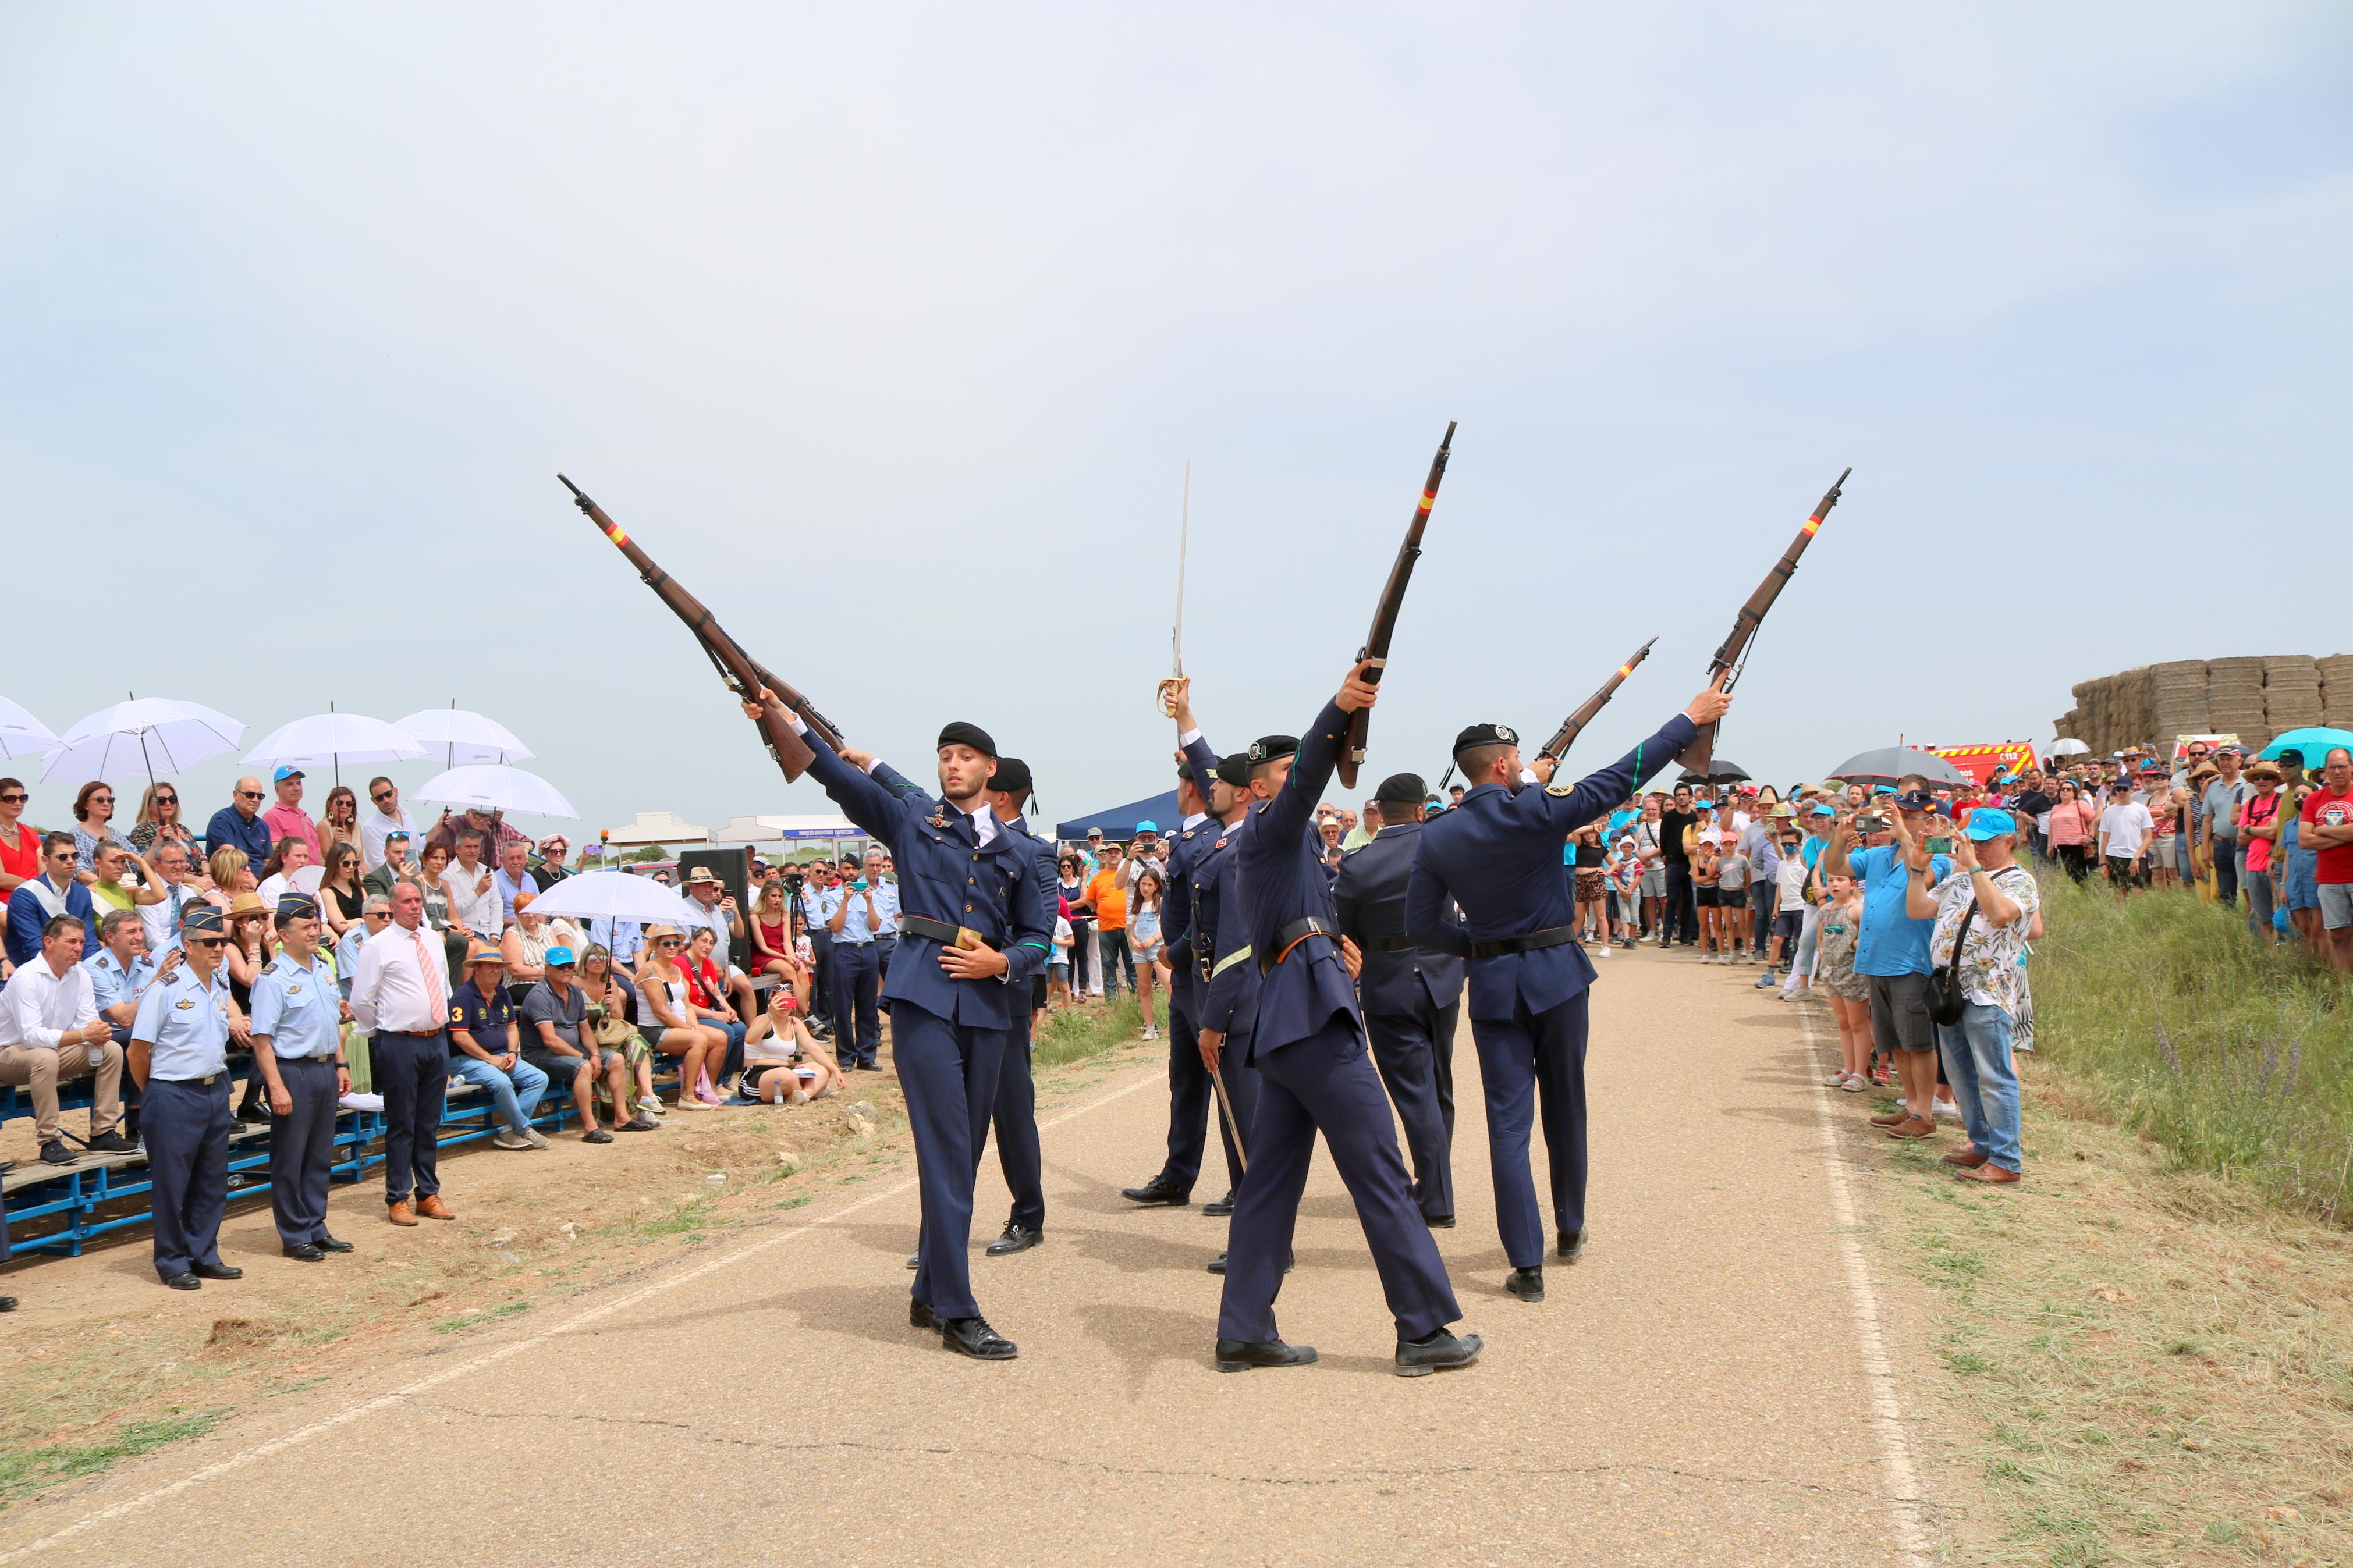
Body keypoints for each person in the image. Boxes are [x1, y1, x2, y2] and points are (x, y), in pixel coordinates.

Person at [748, 692, 1052, 1362]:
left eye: (965, 756)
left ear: (989, 769)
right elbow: (837, 775)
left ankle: (925, 1288)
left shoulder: (1021, 853)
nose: (952, 764)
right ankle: (957, 1309)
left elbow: (1040, 936)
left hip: (988, 1006)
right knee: (946, 1148)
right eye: (944, 755)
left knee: (964, 1151)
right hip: (921, 995)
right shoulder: (914, 818)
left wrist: (1003, 960)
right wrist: (781, 721)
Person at [1411, 679, 1732, 1304]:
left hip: (1494, 986)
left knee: (1507, 1126)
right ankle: (1569, 1227)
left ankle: (1524, 1264)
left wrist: (1477, 948)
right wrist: (1687, 718)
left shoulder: (1439, 833)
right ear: (1503, 764)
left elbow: (1421, 924)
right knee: (1565, 1108)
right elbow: (1622, 775)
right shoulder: (1535, 809)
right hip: (1557, 976)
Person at [1208, 661, 1473, 1375]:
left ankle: (1243, 1328)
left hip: (1294, 1015)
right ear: (1258, 788)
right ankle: (1421, 1330)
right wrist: (1336, 709)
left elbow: (1304, 921)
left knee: (1268, 1183)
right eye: (1287, 773)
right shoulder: (1268, 826)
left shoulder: (1284, 847)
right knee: (1382, 1172)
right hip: (1313, 1021)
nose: (1305, 783)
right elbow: (1302, 784)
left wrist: (1333, 950)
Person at [1334, 770, 1465, 1229]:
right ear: (1417, 810)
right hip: (1442, 976)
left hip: (1387, 982)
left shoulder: (1358, 862)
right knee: (1438, 1083)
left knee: (1415, 1093)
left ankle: (1436, 1197)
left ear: (1378, 813)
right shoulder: (1442, 845)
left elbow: (1342, 930)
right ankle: (1436, 1181)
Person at [1155, 747, 1262, 1246]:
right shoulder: (1222, 843)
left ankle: (1263, 1240)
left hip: (1234, 999)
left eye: (1216, 782)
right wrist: (1173, 956)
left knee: (1248, 1123)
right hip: (1204, 986)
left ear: (1240, 791)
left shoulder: (1241, 848)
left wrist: (1214, 1019)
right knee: (1232, 1111)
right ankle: (1255, 1234)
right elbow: (1202, 926)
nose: (1205, 786)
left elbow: (1235, 944)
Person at [1907, 809, 2040, 1185]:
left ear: (2008, 842)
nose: (1976, 848)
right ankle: (1982, 1144)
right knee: (1962, 1075)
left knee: (1994, 1077)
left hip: (1987, 993)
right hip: (1950, 990)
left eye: (1984, 842)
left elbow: (2000, 914)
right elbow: (1917, 909)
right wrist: (1918, 870)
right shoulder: (1961, 878)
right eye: (1972, 840)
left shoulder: (2020, 882)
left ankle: (2007, 1161)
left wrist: (1974, 869)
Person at [1823, 791, 1954, 1141]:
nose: (1899, 820)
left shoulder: (1938, 855)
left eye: (1909, 816)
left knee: (1918, 1043)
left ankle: (1924, 1114)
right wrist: (1839, 838)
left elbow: (1923, 877)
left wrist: (1906, 836)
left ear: (1927, 822)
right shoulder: (1879, 854)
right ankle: (1912, 1107)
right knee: (1894, 1043)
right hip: (1876, 961)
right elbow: (1835, 867)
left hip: (1910, 962)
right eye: (1897, 814)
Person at [127, 902, 242, 1289]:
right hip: (173, 1093)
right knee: (173, 1184)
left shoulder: (218, 986)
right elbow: (137, 1051)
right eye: (209, 941)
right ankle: (173, 1260)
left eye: (222, 941)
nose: (218, 947)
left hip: (214, 1090)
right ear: (187, 944)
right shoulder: (166, 989)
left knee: (211, 1181)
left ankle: (203, 1254)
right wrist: (158, 1092)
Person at [971, 756, 1059, 1257]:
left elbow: (1040, 929)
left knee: (1010, 1109)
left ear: (999, 795)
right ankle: (942, 1225)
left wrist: (997, 960)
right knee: (956, 1115)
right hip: (955, 992)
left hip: (1002, 994)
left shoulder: (1033, 852)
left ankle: (1027, 1215)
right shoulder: (964, 843)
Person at [246, 894, 355, 1258]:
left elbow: (332, 1023)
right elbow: (261, 1039)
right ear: (282, 935)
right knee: (291, 1157)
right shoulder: (273, 979)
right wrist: (275, 1086)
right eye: (305, 927)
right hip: (292, 1072)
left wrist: (341, 1064)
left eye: (315, 925)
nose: (314, 932)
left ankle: (316, 1225)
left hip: (324, 1068)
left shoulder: (322, 967)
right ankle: (295, 1235)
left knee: (319, 1155)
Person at [349, 877, 461, 1225]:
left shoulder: (432, 938)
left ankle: (427, 1193)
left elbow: (442, 984)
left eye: (418, 900)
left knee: (429, 1122)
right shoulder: (379, 946)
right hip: (398, 1042)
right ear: (393, 908)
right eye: (407, 901)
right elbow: (361, 999)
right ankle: (397, 1197)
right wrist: (376, 1032)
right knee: (402, 1123)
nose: (414, 906)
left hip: (435, 1039)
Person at [0, 912, 134, 1164]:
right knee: (45, 1057)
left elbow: (87, 1021)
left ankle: (103, 1132)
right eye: (71, 942)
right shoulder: (25, 978)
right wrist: (84, 1035)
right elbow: (31, 1036)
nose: (79, 948)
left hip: (51, 1050)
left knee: (112, 1049)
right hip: (8, 1053)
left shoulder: (80, 974)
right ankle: (49, 1141)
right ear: (49, 943)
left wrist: (96, 1034)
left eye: (82, 942)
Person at [520, 944, 640, 1142]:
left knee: (616, 1060)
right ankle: (590, 1127)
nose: (566, 970)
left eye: (569, 966)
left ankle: (622, 1118)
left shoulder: (574, 992)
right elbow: (550, 1040)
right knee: (584, 1067)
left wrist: (594, 1054)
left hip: (572, 1050)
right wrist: (585, 1057)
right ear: (547, 969)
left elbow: (584, 1029)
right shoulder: (539, 996)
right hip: (541, 1054)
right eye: (560, 967)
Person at [448, 944, 549, 1150]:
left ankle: (508, 1131)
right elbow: (459, 1037)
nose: (496, 971)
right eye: (489, 966)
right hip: (465, 1060)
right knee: (502, 1083)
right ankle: (524, 1128)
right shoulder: (463, 995)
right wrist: (489, 1058)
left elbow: (512, 1028)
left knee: (539, 1078)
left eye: (499, 967)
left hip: (501, 1055)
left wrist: (512, 1052)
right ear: (477, 968)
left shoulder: (503, 992)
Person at [635, 925, 729, 1110]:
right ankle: (687, 1095)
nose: (672, 947)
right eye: (666, 943)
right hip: (654, 1030)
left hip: (676, 1025)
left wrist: (694, 1026)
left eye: (676, 943)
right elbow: (660, 1012)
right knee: (699, 1039)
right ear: (656, 947)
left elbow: (687, 1006)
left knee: (720, 1038)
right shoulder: (650, 970)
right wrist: (690, 1031)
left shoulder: (676, 970)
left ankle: (707, 1089)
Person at [579, 944, 663, 1122]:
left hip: (609, 1035)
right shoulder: (576, 985)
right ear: (584, 962)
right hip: (587, 1037)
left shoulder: (611, 983)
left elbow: (618, 1017)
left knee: (636, 1042)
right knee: (630, 1052)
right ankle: (643, 1106)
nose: (598, 962)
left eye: (603, 958)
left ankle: (647, 1099)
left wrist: (612, 1004)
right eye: (593, 958)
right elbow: (576, 1020)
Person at [819, 859, 890, 1071]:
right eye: (846, 869)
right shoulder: (831, 897)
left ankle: (867, 1056)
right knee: (843, 1006)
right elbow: (836, 927)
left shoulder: (870, 894)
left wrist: (868, 902)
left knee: (868, 1005)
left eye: (853, 869)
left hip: (868, 949)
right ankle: (847, 1057)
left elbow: (876, 926)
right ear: (840, 872)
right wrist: (845, 901)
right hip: (845, 951)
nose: (850, 873)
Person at [1813, 871, 1872, 1089]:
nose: (1835, 885)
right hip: (1831, 972)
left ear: (1853, 884)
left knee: (1858, 1023)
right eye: (1830, 881)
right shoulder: (1825, 911)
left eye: (1841, 880)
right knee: (1843, 1023)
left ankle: (1861, 1073)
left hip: (1853, 974)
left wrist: (1857, 944)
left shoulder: (1857, 909)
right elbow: (1821, 939)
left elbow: (1868, 937)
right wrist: (1824, 961)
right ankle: (1848, 1068)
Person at [2298, 746, 2353, 972]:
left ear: (2351, 768)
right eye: (2332, 767)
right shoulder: (2314, 799)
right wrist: (2346, 835)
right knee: (2338, 936)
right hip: (2329, 879)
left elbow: (2313, 835)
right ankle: (2345, 986)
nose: (2337, 771)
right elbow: (2304, 840)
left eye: (2342, 766)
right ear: (2325, 771)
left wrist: (2322, 830)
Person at [8, 831, 96, 967]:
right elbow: (34, 945)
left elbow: (90, 942)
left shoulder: (83, 895)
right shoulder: (25, 895)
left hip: (75, 968)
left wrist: (93, 969)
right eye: (62, 857)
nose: (70, 861)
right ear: (45, 860)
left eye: (75, 856)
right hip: (31, 970)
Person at [2238, 760, 2288, 942]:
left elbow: (2273, 831)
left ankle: (2283, 951)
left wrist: (2250, 828)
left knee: (2280, 913)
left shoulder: (2280, 802)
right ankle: (2268, 954)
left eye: (2267, 777)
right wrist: (2261, 829)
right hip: (2252, 866)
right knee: (2262, 915)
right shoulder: (2250, 804)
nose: (2261, 781)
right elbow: (2240, 838)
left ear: (2275, 781)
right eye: (2257, 778)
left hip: (2273, 865)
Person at [2199, 749, 2249, 906]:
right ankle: (2229, 922)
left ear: (2239, 761)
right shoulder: (2213, 787)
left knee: (2250, 887)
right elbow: (2207, 820)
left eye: (2230, 759)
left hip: (2246, 843)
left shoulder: (2249, 783)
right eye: (2222, 760)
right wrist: (2205, 849)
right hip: (2222, 843)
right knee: (2225, 890)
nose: (2225, 763)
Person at [1088, 842, 1133, 1000]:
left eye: (1117, 853)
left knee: (1132, 964)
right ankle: (1111, 998)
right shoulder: (1098, 877)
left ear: (1123, 856)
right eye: (1110, 853)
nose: (1113, 855)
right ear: (1105, 856)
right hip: (1106, 928)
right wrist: (1101, 910)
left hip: (1128, 927)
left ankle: (1137, 995)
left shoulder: (1130, 872)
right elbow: (1089, 900)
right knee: (1108, 964)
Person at [443, 830, 501, 943]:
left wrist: (495, 935)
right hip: (466, 931)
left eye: (476, 847)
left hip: (489, 931)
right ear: (457, 849)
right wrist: (478, 892)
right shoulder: (447, 873)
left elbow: (497, 905)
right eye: (468, 847)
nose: (473, 851)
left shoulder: (487, 871)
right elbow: (455, 911)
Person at [1129, 867, 1167, 1039]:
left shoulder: (1160, 904)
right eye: (1143, 884)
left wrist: (1154, 939)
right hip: (1140, 950)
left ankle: (1177, 1022)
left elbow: (1167, 928)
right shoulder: (1137, 905)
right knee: (1144, 987)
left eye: (1149, 884)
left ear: (1156, 887)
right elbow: (1131, 930)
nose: (1145, 888)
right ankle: (1149, 1026)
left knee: (1169, 983)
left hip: (1157, 947)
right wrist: (1134, 941)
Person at [69, 780, 132, 883]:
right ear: (85, 805)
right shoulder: (75, 834)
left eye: (110, 800)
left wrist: (157, 841)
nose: (106, 804)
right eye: (100, 800)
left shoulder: (116, 834)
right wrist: (112, 888)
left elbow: (139, 864)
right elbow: (79, 871)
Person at [2096, 784, 2155, 894]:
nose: (2122, 792)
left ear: (2131, 790)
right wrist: (2103, 863)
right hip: (2114, 855)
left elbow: (2148, 837)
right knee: (2119, 894)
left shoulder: (2142, 810)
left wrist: (2136, 858)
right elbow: (2105, 839)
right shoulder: (2109, 811)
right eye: (2118, 789)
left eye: (2125, 789)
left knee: (2138, 893)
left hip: (2135, 855)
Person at [127, 781, 201, 867]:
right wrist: (157, 843)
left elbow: (202, 858)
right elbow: (144, 866)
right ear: (148, 804)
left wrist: (207, 874)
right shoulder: (142, 831)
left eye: (172, 799)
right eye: (161, 801)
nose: (168, 804)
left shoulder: (182, 829)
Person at [205, 777, 274, 871]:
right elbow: (232, 863)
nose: (256, 800)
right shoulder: (222, 821)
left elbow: (268, 863)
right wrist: (255, 884)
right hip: (235, 882)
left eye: (260, 796)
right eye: (250, 795)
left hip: (261, 882)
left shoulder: (263, 826)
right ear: (236, 795)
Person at [0, 778, 41, 916]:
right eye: (10, 799)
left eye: (23, 798)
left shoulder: (31, 833)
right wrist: (34, 886)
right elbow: (2, 879)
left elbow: (44, 873)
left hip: (36, 896)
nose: (18, 803)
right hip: (6, 900)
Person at [359, 776, 417, 872]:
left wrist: (438, 828)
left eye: (388, 794)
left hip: (415, 874)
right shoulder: (370, 827)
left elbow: (417, 845)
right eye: (380, 798)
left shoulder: (406, 814)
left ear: (396, 792)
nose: (386, 800)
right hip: (390, 882)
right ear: (374, 801)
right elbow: (379, 863)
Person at [314, 841, 366, 943]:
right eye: (346, 863)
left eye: (355, 863)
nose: (351, 867)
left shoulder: (361, 889)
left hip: (366, 938)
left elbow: (373, 916)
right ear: (335, 864)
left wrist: (359, 921)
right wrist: (365, 921)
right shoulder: (327, 892)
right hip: (346, 942)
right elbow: (343, 927)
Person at [254, 834, 318, 914]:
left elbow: (323, 922)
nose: (303, 861)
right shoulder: (270, 886)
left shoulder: (311, 885)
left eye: (306, 857)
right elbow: (279, 921)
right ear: (284, 857)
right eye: (298, 856)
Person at [2046, 781, 2096, 883]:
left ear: (2074, 793)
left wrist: (2090, 836)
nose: (2065, 791)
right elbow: (2051, 827)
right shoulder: (2056, 808)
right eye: (2063, 789)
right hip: (2062, 845)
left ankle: (2090, 893)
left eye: (2069, 789)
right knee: (2072, 874)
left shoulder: (2080, 804)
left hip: (2080, 844)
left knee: (2083, 874)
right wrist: (2050, 845)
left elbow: (2094, 818)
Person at [492, 838, 539, 927]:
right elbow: (493, 916)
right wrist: (522, 922)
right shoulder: (495, 881)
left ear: (525, 859)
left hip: (533, 927)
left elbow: (540, 909)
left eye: (519, 858)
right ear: (503, 861)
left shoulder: (530, 879)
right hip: (508, 929)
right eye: (511, 858)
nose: (516, 862)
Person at [315, 785, 361, 863]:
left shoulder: (356, 826)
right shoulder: (323, 826)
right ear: (330, 805)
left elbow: (362, 862)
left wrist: (368, 874)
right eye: (340, 803)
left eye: (349, 804)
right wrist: (336, 842)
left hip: (357, 872)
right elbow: (327, 858)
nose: (344, 807)